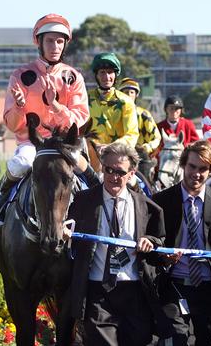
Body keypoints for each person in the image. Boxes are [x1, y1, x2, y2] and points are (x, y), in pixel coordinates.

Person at [0, 13, 91, 223]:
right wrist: (18, 106)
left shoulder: (74, 77)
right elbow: (12, 124)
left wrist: (56, 105)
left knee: (92, 176)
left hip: (66, 145)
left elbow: (80, 118)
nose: (55, 46)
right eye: (50, 40)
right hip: (32, 144)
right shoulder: (20, 75)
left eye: (60, 41)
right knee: (21, 163)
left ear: (65, 45)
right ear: (39, 42)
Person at [67, 142, 165, 345]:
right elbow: (67, 238)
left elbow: (159, 241)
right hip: (97, 291)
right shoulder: (83, 201)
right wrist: (65, 235)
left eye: (120, 172)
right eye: (108, 170)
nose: (113, 176)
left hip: (134, 291)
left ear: (131, 174)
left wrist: (151, 242)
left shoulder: (147, 207)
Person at [151, 140, 211, 345]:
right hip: (174, 285)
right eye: (192, 166)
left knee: (209, 340)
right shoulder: (162, 201)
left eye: (203, 169)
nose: (197, 173)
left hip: (209, 286)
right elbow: (153, 245)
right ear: (184, 164)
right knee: (179, 338)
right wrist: (163, 258)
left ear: (210, 170)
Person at [87, 53, 139, 150]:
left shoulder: (126, 101)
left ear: (115, 75)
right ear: (96, 75)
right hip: (90, 153)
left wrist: (111, 147)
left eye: (110, 72)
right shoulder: (85, 98)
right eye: (102, 72)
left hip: (117, 152)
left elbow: (132, 134)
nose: (106, 77)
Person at [119, 77, 162, 157]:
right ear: (120, 95)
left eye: (132, 92)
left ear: (136, 95)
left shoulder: (144, 114)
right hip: (118, 154)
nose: (129, 95)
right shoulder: (115, 113)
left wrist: (147, 147)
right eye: (126, 92)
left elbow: (156, 138)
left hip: (139, 157)